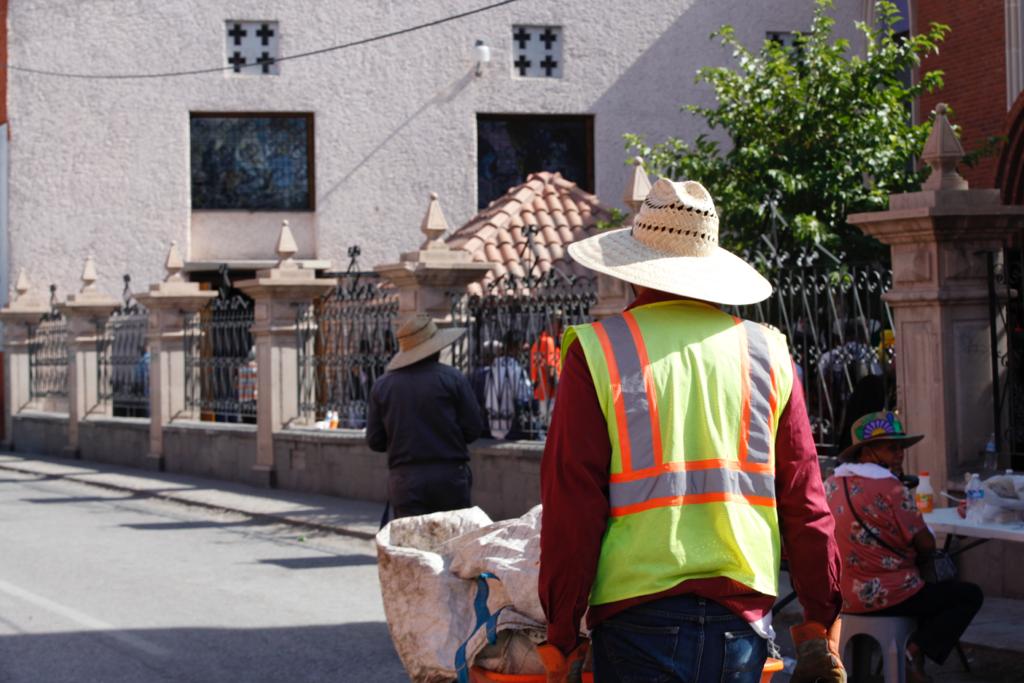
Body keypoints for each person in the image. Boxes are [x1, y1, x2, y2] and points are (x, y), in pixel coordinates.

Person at [538, 178, 845, 683]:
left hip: (634, 618)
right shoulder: (767, 353)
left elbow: (572, 507)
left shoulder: (598, 351)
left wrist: (563, 631)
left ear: (632, 270)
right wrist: (820, 617)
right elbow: (805, 501)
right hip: (742, 621)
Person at [824, 411, 984, 683]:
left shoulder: (830, 484)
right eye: (891, 448)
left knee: (929, 590)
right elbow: (926, 542)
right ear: (867, 452)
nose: (899, 454)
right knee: (968, 595)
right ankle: (911, 653)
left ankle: (908, 660)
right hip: (892, 595)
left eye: (900, 448)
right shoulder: (890, 486)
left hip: (845, 596)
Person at [366, 314, 483, 519]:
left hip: (406, 480)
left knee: (413, 547)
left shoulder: (383, 386)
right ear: (436, 349)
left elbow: (375, 441)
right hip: (449, 478)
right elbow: (473, 429)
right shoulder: (453, 379)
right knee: (454, 543)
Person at [485, 330, 532, 439]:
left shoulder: (494, 365)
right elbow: (524, 396)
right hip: (510, 424)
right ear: (516, 347)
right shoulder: (516, 368)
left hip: (492, 421)